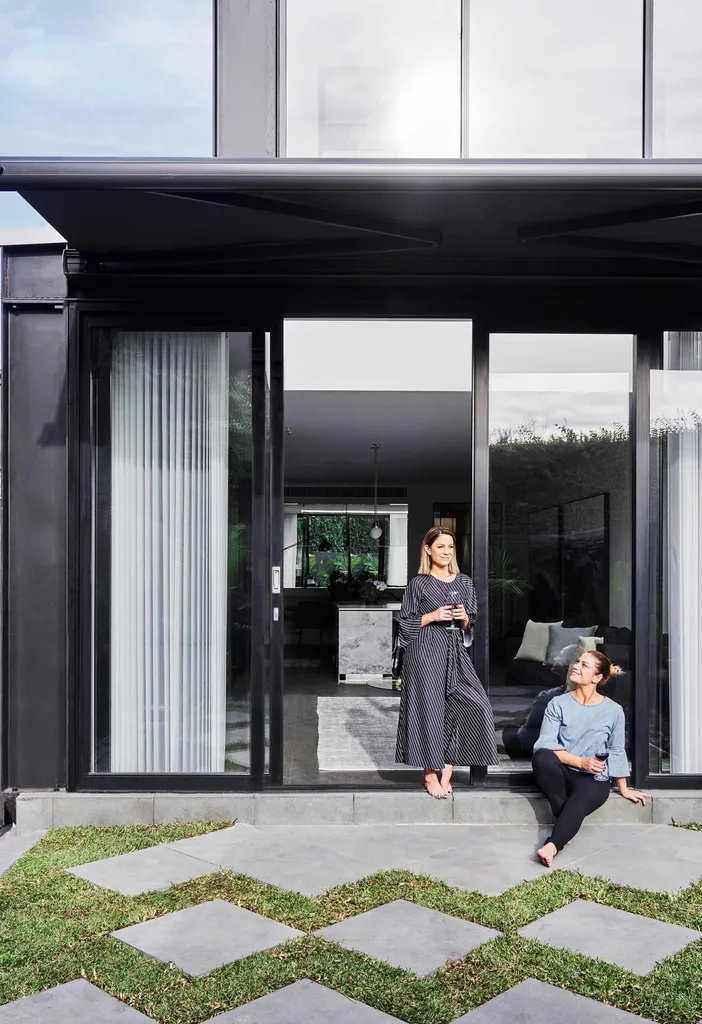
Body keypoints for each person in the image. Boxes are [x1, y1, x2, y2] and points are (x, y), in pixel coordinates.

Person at [395, 527, 499, 798]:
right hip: (425, 650)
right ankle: (430, 774)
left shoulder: (464, 582)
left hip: (455, 650)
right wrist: (432, 616)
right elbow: (404, 623)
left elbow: (471, 624)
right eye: (440, 546)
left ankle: (448, 769)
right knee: (429, 710)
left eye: (450, 547)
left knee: (475, 705)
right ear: (428, 549)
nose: (446, 552)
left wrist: (464, 618)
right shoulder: (418, 583)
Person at [532, 650, 651, 866]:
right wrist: (580, 762)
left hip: (593, 777)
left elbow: (616, 750)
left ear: (597, 678)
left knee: (579, 801)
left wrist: (624, 788)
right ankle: (565, 820)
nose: (576, 666)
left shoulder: (613, 711)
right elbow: (544, 743)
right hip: (563, 772)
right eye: (578, 662)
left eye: (584, 665)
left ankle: (553, 845)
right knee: (542, 757)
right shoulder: (557, 704)